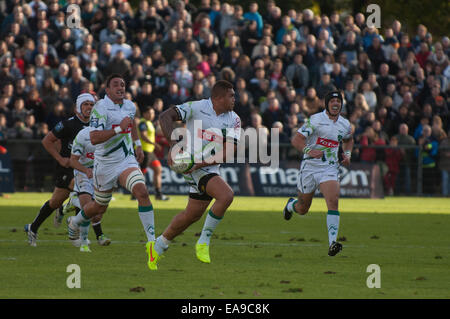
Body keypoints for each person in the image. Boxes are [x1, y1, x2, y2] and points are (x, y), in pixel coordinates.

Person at [67, 74, 157, 269]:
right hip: (104, 164)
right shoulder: (100, 108)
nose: (121, 87)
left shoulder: (130, 106)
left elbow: (131, 124)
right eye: (115, 84)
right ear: (107, 90)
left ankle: (152, 244)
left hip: (125, 160)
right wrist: (118, 130)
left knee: (142, 191)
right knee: (98, 208)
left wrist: (138, 144)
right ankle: (75, 221)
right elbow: (94, 137)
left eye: (123, 84)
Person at [151, 80, 241, 269]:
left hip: (204, 166)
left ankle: (159, 245)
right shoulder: (197, 107)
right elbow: (165, 116)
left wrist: (200, 163)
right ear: (218, 97)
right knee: (226, 196)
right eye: (231, 95)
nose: (235, 99)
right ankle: (204, 241)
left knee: (192, 215)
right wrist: (174, 145)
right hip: (191, 166)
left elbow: (229, 151)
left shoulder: (234, 119)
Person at [282, 91, 353, 256]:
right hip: (310, 168)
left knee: (333, 201)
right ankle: (290, 205)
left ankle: (332, 243)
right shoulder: (315, 120)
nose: (336, 104)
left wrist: (347, 155)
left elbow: (349, 140)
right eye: (332, 101)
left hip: (329, 168)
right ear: (327, 104)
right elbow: (296, 140)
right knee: (302, 208)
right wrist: (309, 150)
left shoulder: (345, 124)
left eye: (338, 101)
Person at [24, 93, 95, 246]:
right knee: (78, 193)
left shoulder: (96, 125)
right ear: (78, 107)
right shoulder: (67, 124)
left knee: (60, 200)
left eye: (91, 104)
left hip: (85, 168)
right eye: (86, 104)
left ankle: (36, 227)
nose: (89, 107)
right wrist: (60, 159)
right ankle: (61, 219)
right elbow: (47, 140)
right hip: (68, 167)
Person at [69, 126, 111, 252]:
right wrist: (86, 170)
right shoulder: (83, 135)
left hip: (101, 173)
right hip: (83, 173)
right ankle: (84, 243)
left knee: (98, 213)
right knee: (87, 207)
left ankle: (74, 202)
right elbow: (73, 160)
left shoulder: (110, 133)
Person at [137, 107, 169, 201]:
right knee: (141, 173)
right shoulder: (143, 123)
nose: (152, 115)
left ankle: (158, 194)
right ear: (144, 114)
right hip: (144, 151)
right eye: (150, 113)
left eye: (153, 113)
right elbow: (143, 136)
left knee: (158, 169)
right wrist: (154, 144)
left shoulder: (149, 123)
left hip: (150, 152)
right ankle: (136, 194)